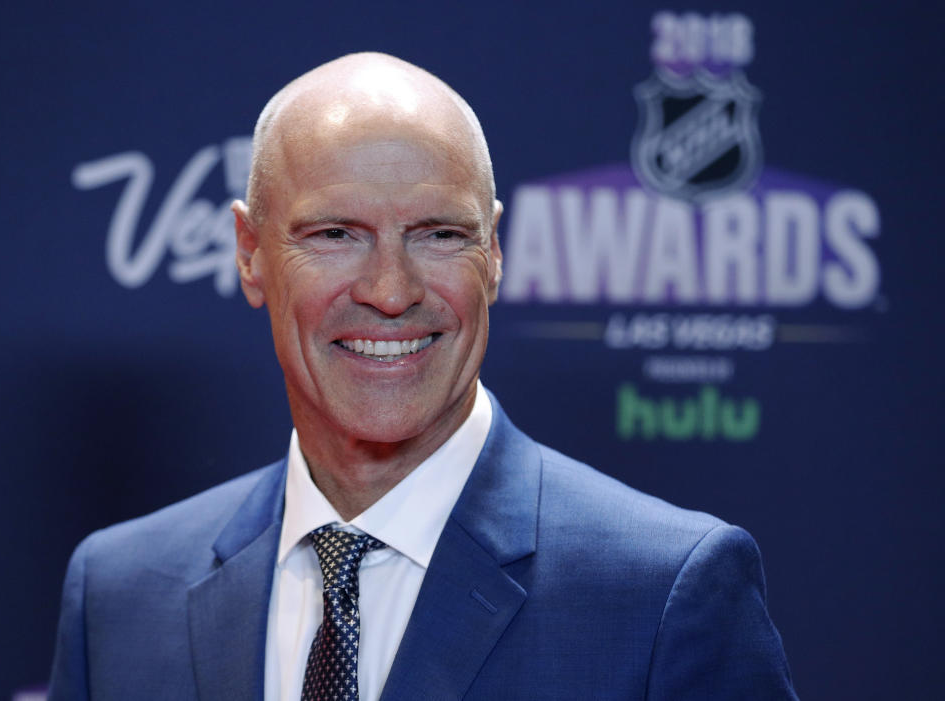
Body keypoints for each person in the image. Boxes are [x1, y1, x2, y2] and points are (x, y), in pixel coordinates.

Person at [48, 52, 798, 701]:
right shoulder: (119, 593)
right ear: (249, 251)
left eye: (439, 235)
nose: (391, 288)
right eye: (335, 234)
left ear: (495, 253)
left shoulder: (663, 593)